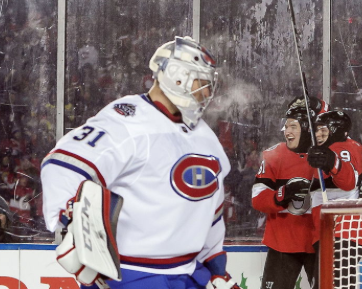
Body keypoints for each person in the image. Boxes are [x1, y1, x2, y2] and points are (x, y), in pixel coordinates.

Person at [41, 36, 241, 289]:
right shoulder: (127, 119)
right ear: (178, 77)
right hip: (128, 276)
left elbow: (210, 208)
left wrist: (215, 269)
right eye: (203, 83)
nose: (208, 93)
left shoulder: (204, 136)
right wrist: (69, 225)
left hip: (190, 274)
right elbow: (63, 165)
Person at [252, 96, 329, 289]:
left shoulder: (328, 158)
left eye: (293, 126)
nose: (287, 132)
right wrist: (282, 194)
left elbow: (346, 192)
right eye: (286, 127)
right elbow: (257, 198)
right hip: (282, 243)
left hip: (318, 242)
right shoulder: (273, 155)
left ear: (307, 127)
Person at [307, 110, 362, 288]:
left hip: (342, 230)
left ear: (336, 130)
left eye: (323, 130)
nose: (318, 134)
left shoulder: (341, 148)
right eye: (317, 130)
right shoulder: (349, 146)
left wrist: (332, 161)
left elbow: (347, 181)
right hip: (341, 231)